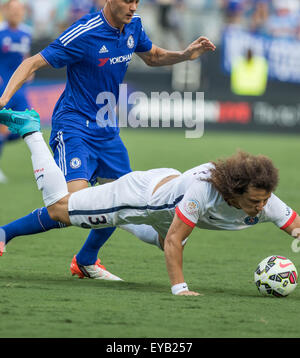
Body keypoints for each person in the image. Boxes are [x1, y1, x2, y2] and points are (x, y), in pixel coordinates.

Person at [0, 0, 216, 280]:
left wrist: (185, 54)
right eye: (127, 0)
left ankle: (86, 260)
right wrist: (4, 99)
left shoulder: (134, 26)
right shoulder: (84, 32)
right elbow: (32, 62)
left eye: (137, 1)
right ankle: (5, 232)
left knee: (123, 201)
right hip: (74, 126)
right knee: (72, 207)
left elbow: (153, 56)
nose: (133, 7)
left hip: (108, 133)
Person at [0, 108, 299, 295]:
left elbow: (294, 223)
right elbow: (173, 242)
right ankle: (31, 130)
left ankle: (86, 259)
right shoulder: (203, 191)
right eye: (255, 201)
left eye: (264, 200)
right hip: (139, 197)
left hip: (164, 201)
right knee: (59, 208)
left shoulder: (264, 198)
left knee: (136, 225)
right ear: (235, 190)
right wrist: (180, 289)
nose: (261, 207)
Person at [0, 0, 32, 183]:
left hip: (20, 88)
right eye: (12, 9)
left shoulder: (26, 33)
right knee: (2, 128)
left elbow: (26, 57)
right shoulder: (1, 32)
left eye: (19, 10)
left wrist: (29, 71)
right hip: (3, 87)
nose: (16, 13)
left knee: (25, 125)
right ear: (6, 11)